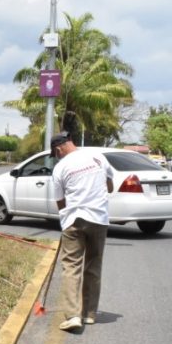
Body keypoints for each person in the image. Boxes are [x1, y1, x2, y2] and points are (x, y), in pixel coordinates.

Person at [50, 132, 114, 332]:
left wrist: (65, 220)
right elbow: (110, 186)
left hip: (74, 219)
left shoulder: (60, 167)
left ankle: (72, 316)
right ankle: (89, 314)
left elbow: (60, 201)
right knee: (94, 265)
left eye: (56, 154)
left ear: (59, 149)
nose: (57, 157)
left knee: (71, 267)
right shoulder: (97, 157)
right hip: (99, 219)